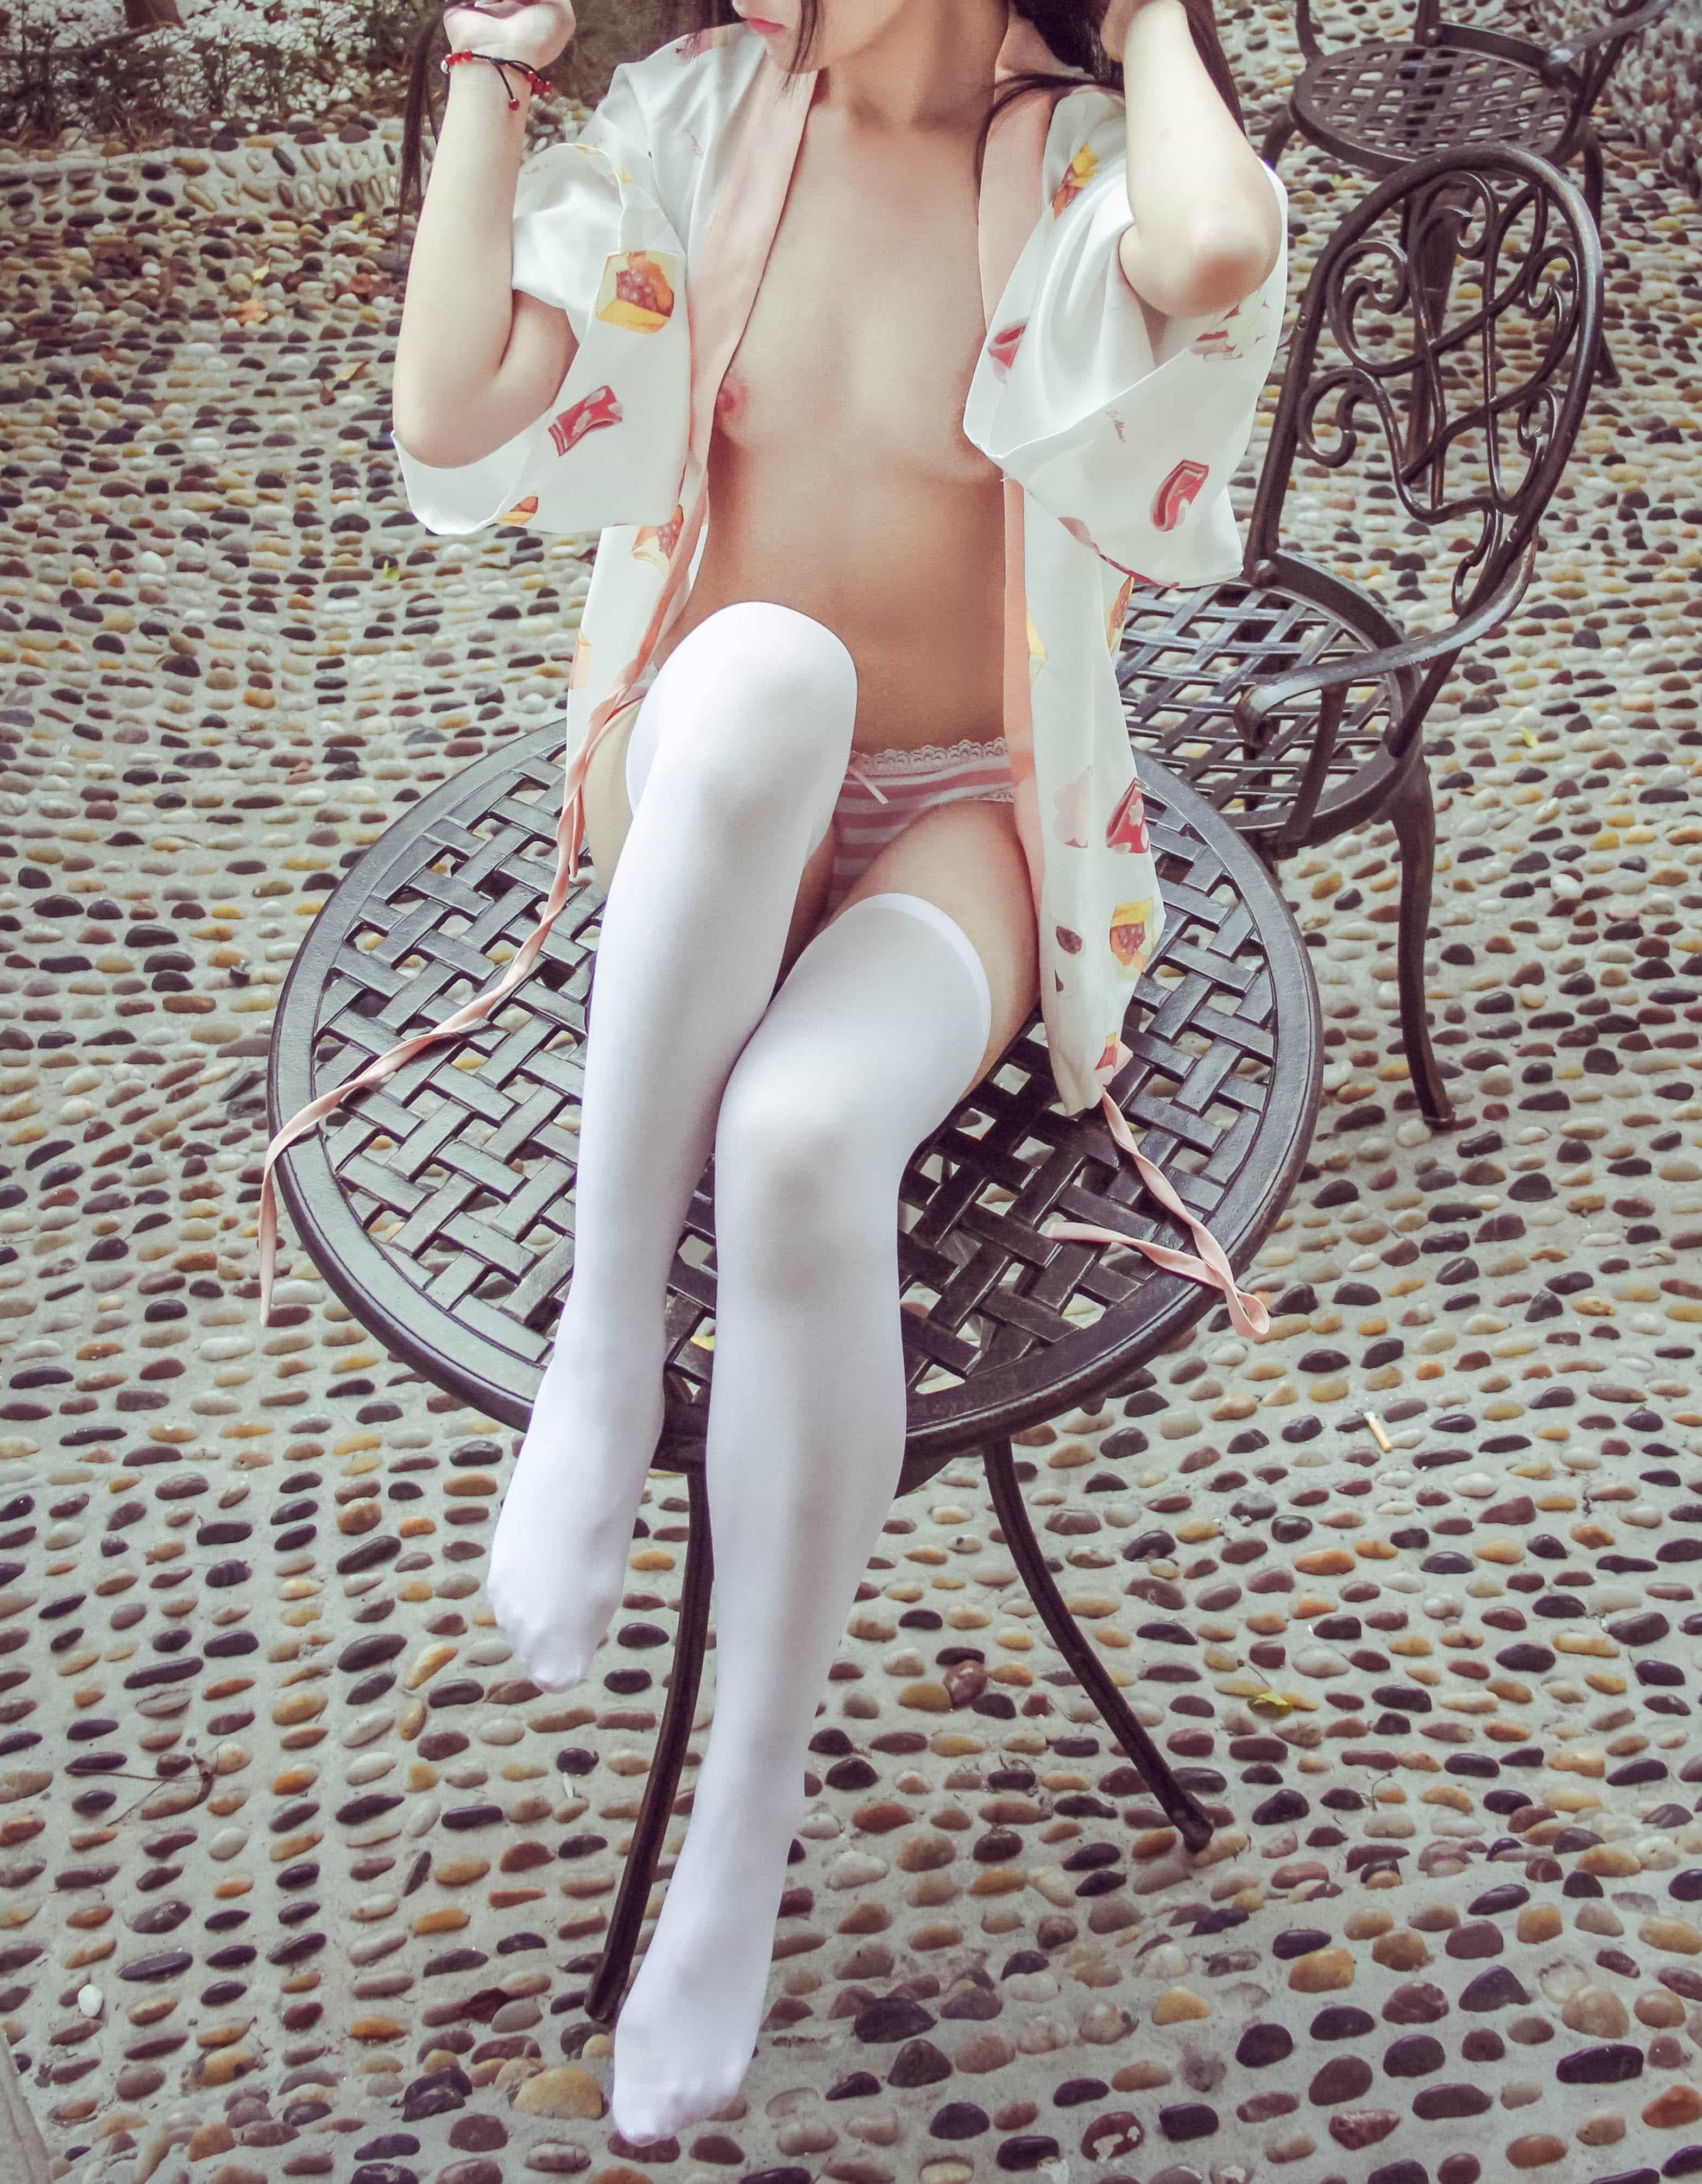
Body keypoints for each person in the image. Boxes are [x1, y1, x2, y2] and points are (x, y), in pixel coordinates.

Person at [263, 0, 1285, 2142]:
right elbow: (452, 406)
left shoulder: (1073, 172)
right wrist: (489, 70)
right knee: (760, 673)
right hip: (712, 790)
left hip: (966, 818)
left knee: (810, 1134)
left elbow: (1210, 248)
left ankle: (736, 1841)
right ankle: (605, 1333)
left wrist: (1151, 19)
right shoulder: (712, 121)